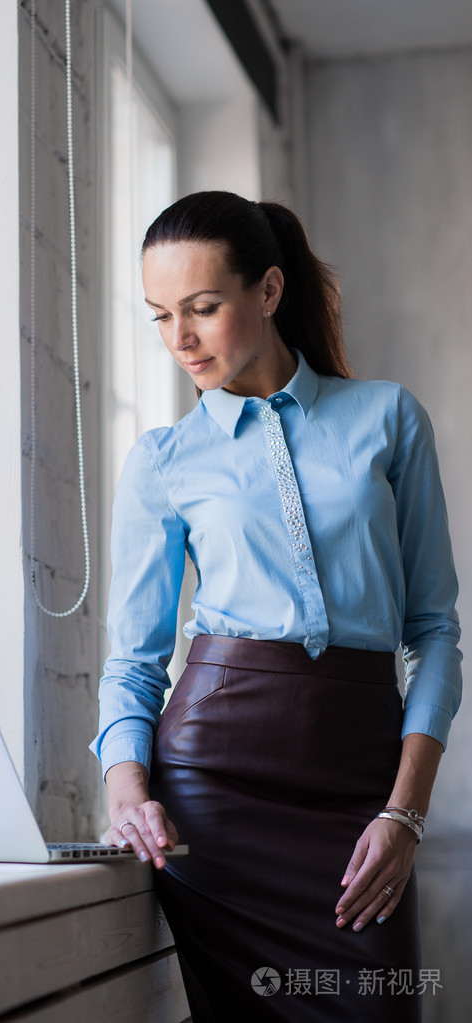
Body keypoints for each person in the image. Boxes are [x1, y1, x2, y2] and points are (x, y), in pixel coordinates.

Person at [90, 191, 462, 1022]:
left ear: (266, 290)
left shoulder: (387, 418)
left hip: (359, 783)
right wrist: (127, 789)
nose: (178, 339)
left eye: (202, 308)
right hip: (213, 800)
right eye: (158, 316)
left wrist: (404, 810)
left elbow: (434, 631)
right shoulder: (162, 460)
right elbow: (134, 659)